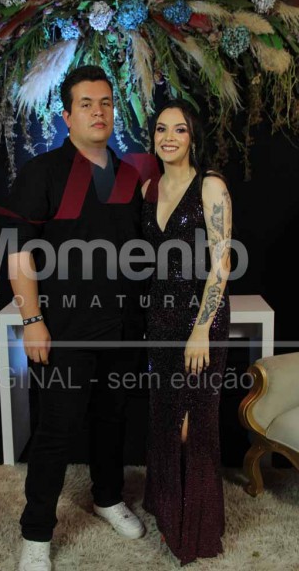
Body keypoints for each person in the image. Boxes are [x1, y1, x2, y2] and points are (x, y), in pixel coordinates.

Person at [7, 65, 146, 571]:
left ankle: (107, 498)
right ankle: (36, 534)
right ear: (66, 116)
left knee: (112, 419)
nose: (98, 112)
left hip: (123, 328)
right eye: (86, 104)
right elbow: (19, 254)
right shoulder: (41, 172)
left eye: (106, 102)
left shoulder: (129, 176)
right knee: (56, 431)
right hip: (65, 329)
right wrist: (32, 320)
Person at [141, 99, 231, 566]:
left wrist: (201, 330)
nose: (169, 137)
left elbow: (222, 264)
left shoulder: (210, 186)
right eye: (161, 129)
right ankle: (167, 510)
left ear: (193, 136)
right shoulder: (148, 188)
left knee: (191, 424)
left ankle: (196, 529)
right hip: (159, 320)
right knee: (163, 417)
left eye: (179, 129)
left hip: (200, 321)